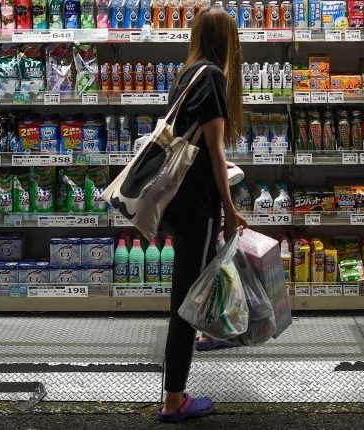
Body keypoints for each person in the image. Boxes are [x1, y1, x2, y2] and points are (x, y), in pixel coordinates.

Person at [156, 6, 248, 424]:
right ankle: (173, 400)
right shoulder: (211, 76)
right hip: (197, 205)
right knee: (184, 303)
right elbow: (214, 150)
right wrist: (229, 209)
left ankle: (211, 332)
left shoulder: (187, 73)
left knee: (197, 279)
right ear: (226, 42)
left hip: (180, 201)